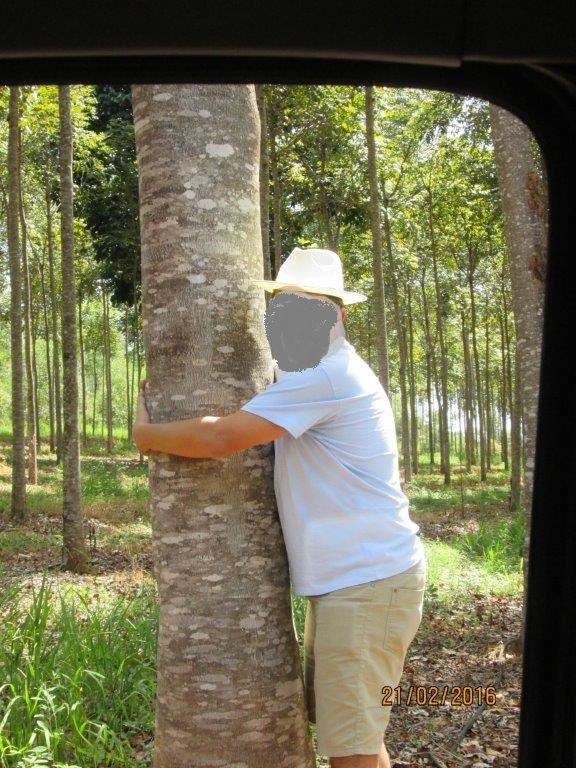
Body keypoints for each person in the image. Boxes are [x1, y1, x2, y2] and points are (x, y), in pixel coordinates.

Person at [133, 247, 427, 768]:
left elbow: (222, 436)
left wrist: (146, 433)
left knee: (351, 751)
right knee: (355, 738)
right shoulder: (313, 373)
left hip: (367, 584)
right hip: (355, 584)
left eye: (307, 306)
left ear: (337, 314)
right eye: (284, 305)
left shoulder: (326, 377)